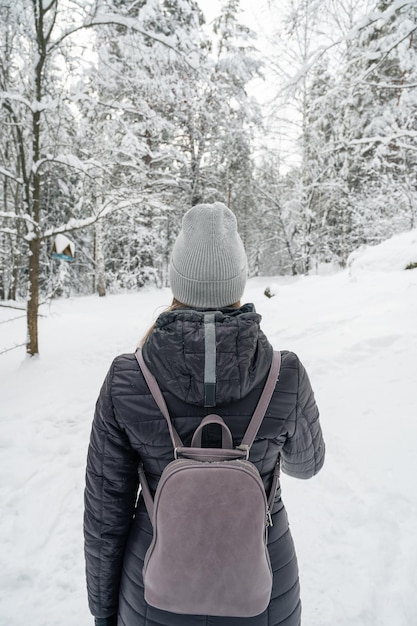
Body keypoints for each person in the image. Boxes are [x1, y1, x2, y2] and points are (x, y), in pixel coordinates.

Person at [84, 202, 325, 626]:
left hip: (153, 595)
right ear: (239, 281)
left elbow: (105, 516)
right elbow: (307, 465)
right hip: (263, 591)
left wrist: (106, 613)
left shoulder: (129, 377)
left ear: (177, 280)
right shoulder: (284, 374)